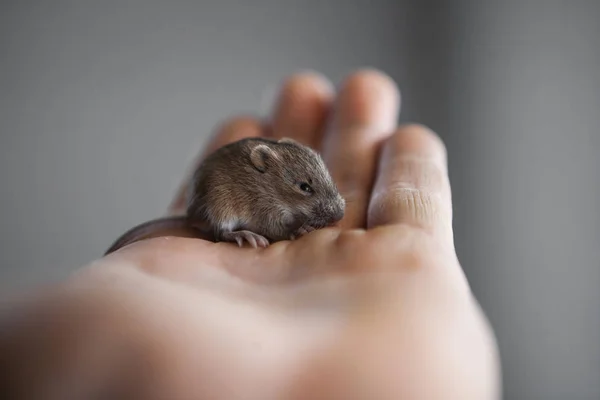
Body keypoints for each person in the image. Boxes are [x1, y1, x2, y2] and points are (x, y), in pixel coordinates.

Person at [0, 69, 501, 399]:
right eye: (305, 188)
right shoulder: (250, 186)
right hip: (220, 214)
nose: (327, 204)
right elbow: (273, 218)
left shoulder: (284, 174)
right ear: (265, 169)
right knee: (225, 216)